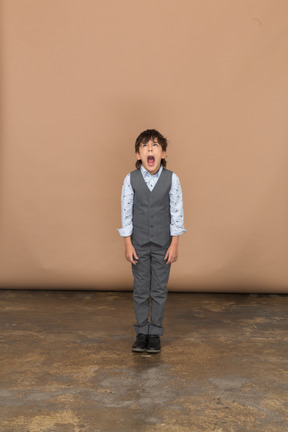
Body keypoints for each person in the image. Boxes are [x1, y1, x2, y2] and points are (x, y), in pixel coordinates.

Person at [118, 129, 186, 353]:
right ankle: (141, 333)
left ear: (163, 153)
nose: (150, 149)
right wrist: (127, 242)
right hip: (138, 244)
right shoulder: (131, 179)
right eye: (145, 146)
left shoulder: (171, 179)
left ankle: (154, 333)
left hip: (163, 245)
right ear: (138, 154)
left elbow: (177, 212)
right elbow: (126, 212)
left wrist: (174, 243)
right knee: (140, 290)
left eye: (155, 145)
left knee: (158, 290)